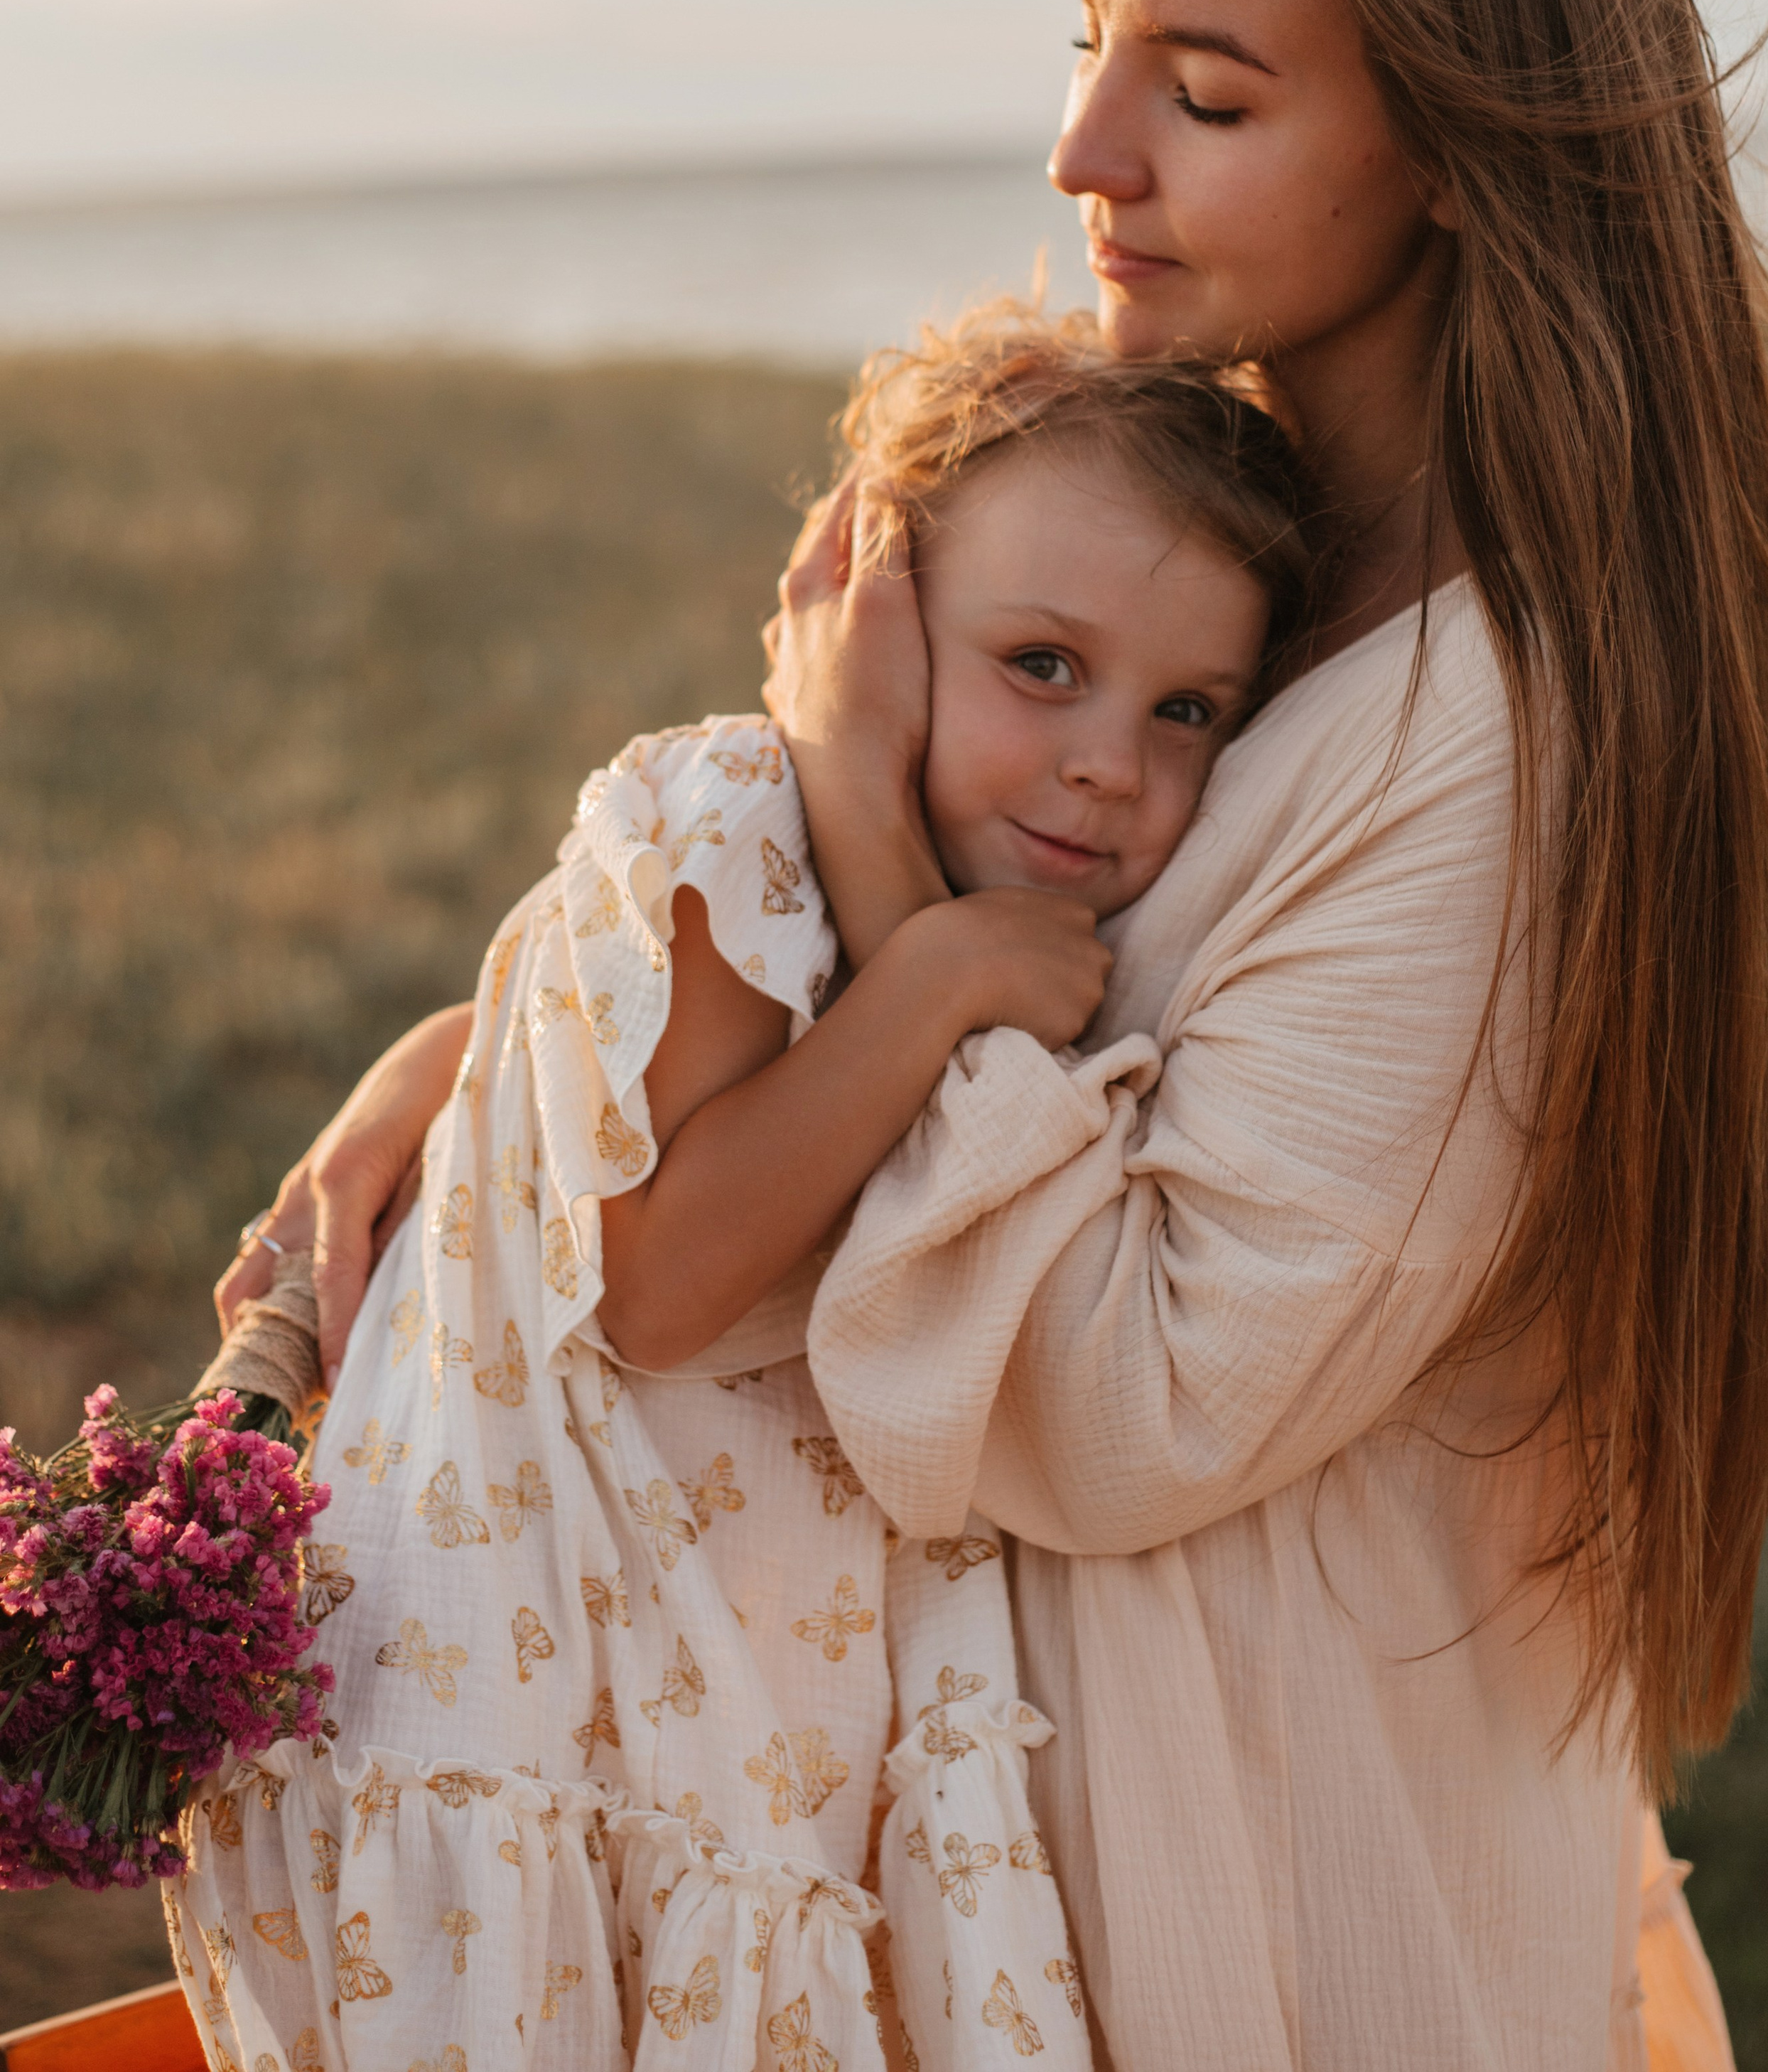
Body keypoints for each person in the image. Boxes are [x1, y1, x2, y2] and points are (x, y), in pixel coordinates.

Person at [220, 0, 1768, 2071]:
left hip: (1268, 1912)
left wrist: (880, 855)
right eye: (1093, 42)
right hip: (996, 1880)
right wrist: (517, 1043)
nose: (1086, 150)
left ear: (1473, 149)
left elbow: (1112, 1405)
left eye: (1206, 91)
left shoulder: (1519, 741)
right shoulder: (1237, 567)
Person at [181, 311, 1312, 2070]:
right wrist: (930, 980)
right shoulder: (733, 821)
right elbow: (660, 1280)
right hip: (535, 1699)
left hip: (734, 1715)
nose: (1110, 761)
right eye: (1039, 664)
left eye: (1185, 709)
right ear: (876, 617)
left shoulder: (1013, 906)